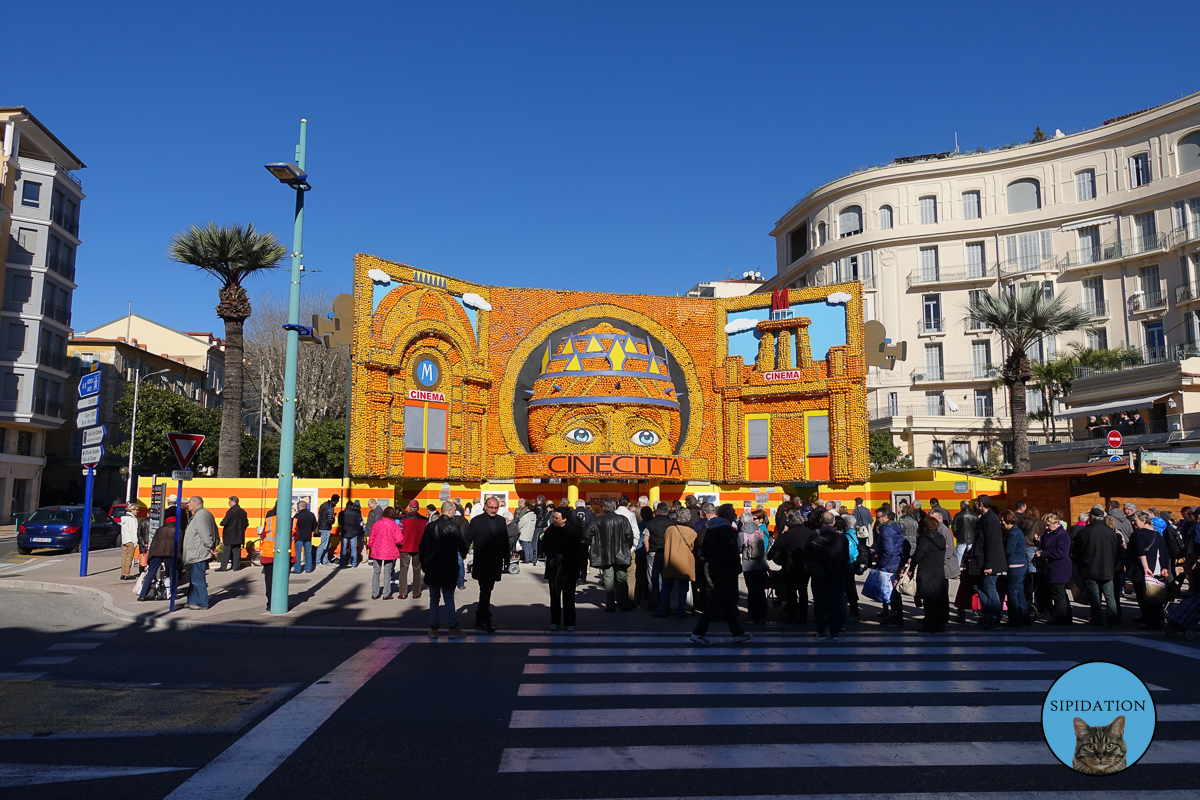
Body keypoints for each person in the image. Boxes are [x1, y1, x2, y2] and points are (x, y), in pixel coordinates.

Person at [690, 504, 753, 645]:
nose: (736, 513)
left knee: (728, 602)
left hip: (714, 567)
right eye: (733, 511)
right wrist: (737, 568)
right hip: (725, 569)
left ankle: (737, 633)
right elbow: (731, 552)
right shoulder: (726, 529)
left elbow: (704, 549)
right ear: (728, 514)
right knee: (716, 601)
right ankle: (698, 632)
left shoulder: (711, 528)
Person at [419, 501, 469, 639]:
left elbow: (422, 547)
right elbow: (462, 546)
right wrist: (463, 556)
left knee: (433, 599)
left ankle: (433, 629)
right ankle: (452, 628)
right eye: (453, 511)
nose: (454, 513)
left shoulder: (430, 526)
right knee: (448, 599)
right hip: (448, 566)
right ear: (450, 511)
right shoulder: (453, 527)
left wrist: (424, 564)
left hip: (432, 566)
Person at [465, 495, 509, 632]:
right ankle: (485, 619)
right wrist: (461, 555)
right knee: (485, 591)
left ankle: (480, 616)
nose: (493, 510)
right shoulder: (476, 521)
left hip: (495, 562)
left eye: (496, 508)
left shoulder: (501, 521)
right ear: (485, 506)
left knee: (487, 590)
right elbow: (468, 539)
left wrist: (507, 559)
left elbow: (505, 541)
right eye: (491, 507)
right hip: (482, 562)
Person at [1072, 506, 1121, 627]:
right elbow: (1116, 550)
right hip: (1108, 568)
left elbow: (1078, 550)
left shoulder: (1086, 531)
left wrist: (1079, 562)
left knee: (1094, 596)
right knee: (1110, 596)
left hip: (1090, 567)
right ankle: (1113, 619)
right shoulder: (1111, 532)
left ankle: (1097, 619)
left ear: (1092, 517)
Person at [585, 499, 636, 612]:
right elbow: (629, 536)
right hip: (621, 553)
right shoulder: (623, 519)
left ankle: (610, 604)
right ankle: (624, 604)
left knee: (608, 579)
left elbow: (587, 534)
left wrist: (594, 545)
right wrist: (626, 548)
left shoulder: (598, 520)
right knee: (622, 578)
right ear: (615, 507)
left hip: (604, 554)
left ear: (604, 508)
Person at [806, 511, 849, 641]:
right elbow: (846, 557)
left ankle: (821, 631)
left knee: (819, 603)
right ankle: (834, 631)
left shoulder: (814, 534)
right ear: (834, 522)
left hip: (818, 574)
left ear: (820, 520)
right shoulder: (841, 538)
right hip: (836, 574)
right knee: (835, 602)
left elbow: (806, 553)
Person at [542, 508, 587, 630]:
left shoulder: (572, 532)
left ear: (565, 519)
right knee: (554, 595)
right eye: (554, 517)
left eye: (557, 518)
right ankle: (554, 621)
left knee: (569, 596)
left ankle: (570, 622)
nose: (554, 519)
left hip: (569, 569)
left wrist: (564, 556)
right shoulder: (551, 530)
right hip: (554, 568)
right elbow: (545, 546)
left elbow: (577, 552)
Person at [969, 495, 1006, 630]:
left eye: (976, 503)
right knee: (978, 587)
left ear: (980, 504)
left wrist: (989, 565)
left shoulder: (991, 520)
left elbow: (993, 543)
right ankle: (990, 614)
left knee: (989, 588)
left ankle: (995, 616)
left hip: (987, 562)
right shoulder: (986, 518)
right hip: (981, 560)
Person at [769, 508, 812, 624]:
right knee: (803, 591)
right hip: (805, 566)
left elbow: (778, 544)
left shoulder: (789, 534)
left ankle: (792, 615)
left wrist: (782, 533)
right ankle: (803, 616)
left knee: (791, 592)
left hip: (790, 566)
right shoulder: (808, 532)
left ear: (791, 521)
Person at [1130, 510, 1169, 630]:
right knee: (1156, 595)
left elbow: (1141, 552)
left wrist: (1145, 568)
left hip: (1144, 569)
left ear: (1143, 520)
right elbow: (1164, 553)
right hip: (1157, 569)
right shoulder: (1158, 534)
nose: (1133, 523)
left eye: (1135, 520)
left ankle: (1149, 620)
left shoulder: (1139, 534)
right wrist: (1165, 568)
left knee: (1143, 595)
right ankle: (1158, 619)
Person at [657, 508, 698, 620]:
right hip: (685, 564)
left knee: (667, 588)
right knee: (683, 589)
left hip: (671, 562)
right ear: (688, 519)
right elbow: (694, 548)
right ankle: (681, 611)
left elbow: (665, 543)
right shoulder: (692, 533)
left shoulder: (670, 530)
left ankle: (662, 610)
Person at [910, 516, 949, 633]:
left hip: (926, 572)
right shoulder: (941, 538)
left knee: (928, 601)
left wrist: (912, 566)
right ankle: (940, 624)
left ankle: (930, 625)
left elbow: (918, 555)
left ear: (925, 527)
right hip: (938, 572)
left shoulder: (925, 539)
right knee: (938, 601)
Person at [181, 496, 218, 610]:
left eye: (190, 502)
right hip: (197, 551)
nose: (188, 504)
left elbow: (204, 532)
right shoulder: (204, 513)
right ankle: (192, 600)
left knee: (198, 579)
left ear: (196, 503)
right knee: (194, 578)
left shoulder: (200, 515)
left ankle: (202, 603)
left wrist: (209, 545)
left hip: (198, 552)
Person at [875, 509, 907, 626]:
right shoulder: (895, 527)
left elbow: (888, 550)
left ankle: (895, 618)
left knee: (892, 593)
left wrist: (882, 563)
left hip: (890, 564)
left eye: (878, 517)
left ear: (886, 517)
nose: (877, 519)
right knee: (894, 592)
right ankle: (897, 616)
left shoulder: (887, 531)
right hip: (896, 562)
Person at [1041, 512, 1073, 624]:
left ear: (1056, 523)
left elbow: (1061, 552)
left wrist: (1044, 553)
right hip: (1052, 567)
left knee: (1059, 594)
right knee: (1060, 593)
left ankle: (1062, 618)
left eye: (1048, 525)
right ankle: (1066, 617)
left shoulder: (1062, 534)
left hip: (1059, 567)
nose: (1046, 527)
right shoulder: (1049, 533)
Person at [1000, 510, 1029, 627]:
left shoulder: (1012, 533)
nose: (1001, 523)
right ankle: (1024, 618)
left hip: (1015, 565)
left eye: (1002, 520)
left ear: (1007, 520)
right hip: (1021, 564)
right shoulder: (1017, 531)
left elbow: (1008, 551)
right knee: (1019, 592)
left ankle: (1014, 618)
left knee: (1012, 592)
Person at [368, 506, 403, 600]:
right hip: (390, 551)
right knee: (387, 572)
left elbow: (371, 538)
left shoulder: (377, 524)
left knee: (376, 572)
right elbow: (399, 539)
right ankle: (386, 593)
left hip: (377, 551)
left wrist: (371, 546)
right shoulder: (394, 525)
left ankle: (375, 593)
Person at [643, 502, 673, 609]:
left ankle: (653, 602)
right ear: (668, 510)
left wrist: (648, 551)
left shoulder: (651, 523)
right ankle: (665, 603)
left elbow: (646, 539)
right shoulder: (672, 524)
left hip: (653, 553)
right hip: (667, 554)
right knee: (667, 580)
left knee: (652, 579)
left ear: (657, 511)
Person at [397, 500, 426, 598]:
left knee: (403, 570)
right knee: (417, 570)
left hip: (405, 547)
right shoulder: (425, 520)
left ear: (409, 507)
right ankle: (416, 593)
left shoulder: (403, 519)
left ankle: (403, 592)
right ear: (418, 508)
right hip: (419, 547)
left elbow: (399, 533)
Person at [217, 496, 248, 572]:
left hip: (229, 534)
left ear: (233, 501)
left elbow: (225, 522)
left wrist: (222, 523)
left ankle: (223, 567)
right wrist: (241, 530)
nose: (229, 503)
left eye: (229, 502)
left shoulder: (230, 511)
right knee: (237, 550)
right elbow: (246, 523)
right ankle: (236, 567)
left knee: (227, 551)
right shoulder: (243, 512)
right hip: (239, 534)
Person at [315, 494, 339, 566]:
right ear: (337, 500)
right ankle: (317, 562)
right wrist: (333, 519)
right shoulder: (330, 507)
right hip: (325, 527)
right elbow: (329, 520)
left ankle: (325, 561)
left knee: (328, 544)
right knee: (324, 545)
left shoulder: (323, 505)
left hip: (321, 526)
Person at [953, 500, 978, 566]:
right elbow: (977, 528)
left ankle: (957, 571)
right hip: (972, 538)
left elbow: (954, 527)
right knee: (971, 554)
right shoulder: (975, 516)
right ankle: (971, 568)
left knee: (959, 555)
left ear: (962, 506)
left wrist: (957, 535)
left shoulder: (958, 515)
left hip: (961, 538)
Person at [120, 507, 141, 580]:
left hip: (124, 540)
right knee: (129, 558)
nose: (137, 511)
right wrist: (135, 542)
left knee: (124, 558)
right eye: (136, 510)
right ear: (131, 510)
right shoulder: (132, 519)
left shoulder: (125, 519)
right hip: (130, 540)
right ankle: (127, 574)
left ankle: (123, 573)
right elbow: (133, 532)